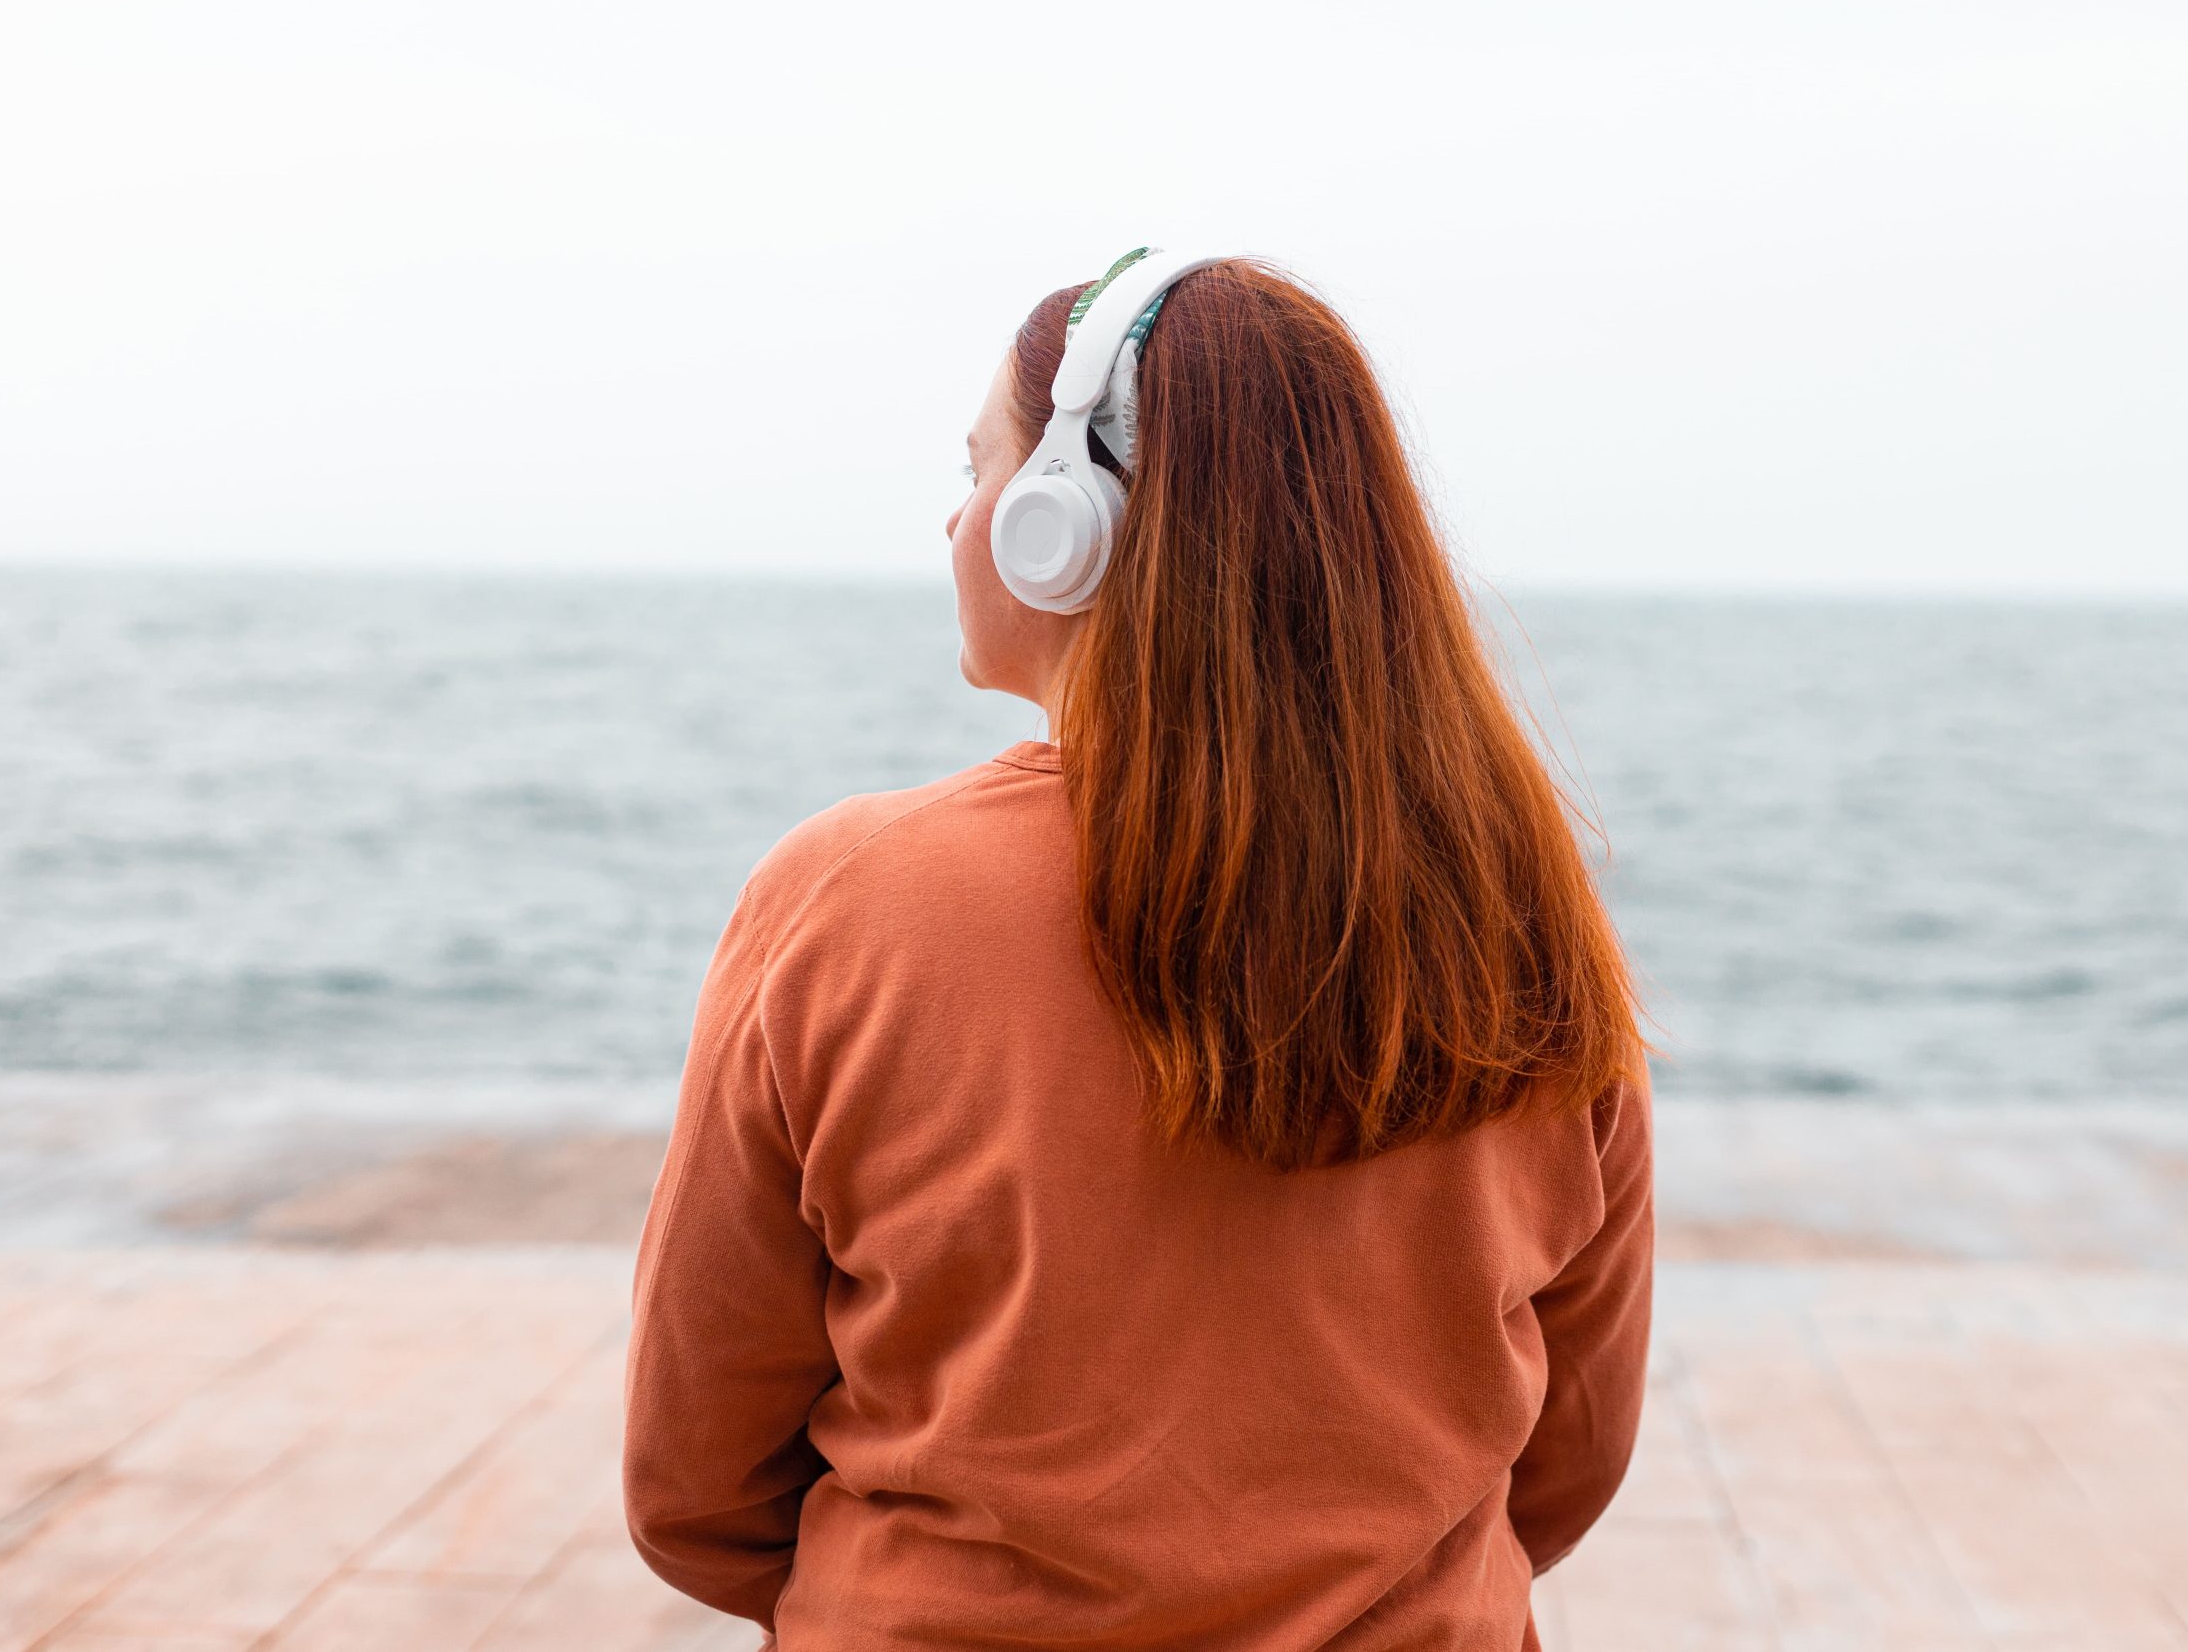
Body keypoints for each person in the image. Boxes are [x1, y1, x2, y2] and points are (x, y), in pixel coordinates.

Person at [622, 250, 1656, 1650]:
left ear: (1068, 520)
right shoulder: (1525, 917)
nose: (955, 516)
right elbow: (1572, 1453)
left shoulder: (848, 904)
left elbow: (694, 1480)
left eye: (981, 465)